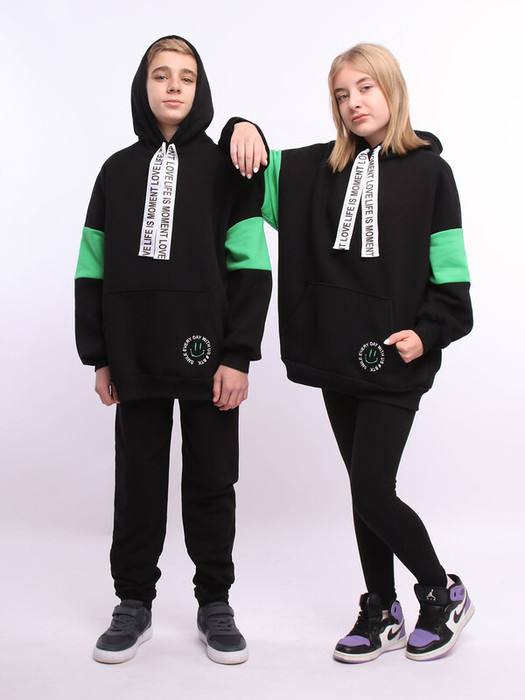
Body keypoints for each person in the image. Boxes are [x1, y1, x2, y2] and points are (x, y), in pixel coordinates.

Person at [225, 43, 473, 663]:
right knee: (366, 490)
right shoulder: (314, 170)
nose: (354, 103)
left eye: (365, 87)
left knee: (371, 489)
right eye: (342, 94)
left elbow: (452, 280)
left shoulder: (431, 175)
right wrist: (240, 127)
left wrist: (428, 333)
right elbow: (247, 172)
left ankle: (441, 592)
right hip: (337, 353)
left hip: (397, 357)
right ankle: (381, 608)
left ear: (392, 89)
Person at [74, 35, 272, 666]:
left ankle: (215, 601)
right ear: (144, 86)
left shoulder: (226, 170)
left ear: (200, 88)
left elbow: (251, 267)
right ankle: (133, 601)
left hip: (209, 354)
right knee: (137, 481)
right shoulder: (115, 171)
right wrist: (99, 354)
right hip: (134, 351)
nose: (174, 86)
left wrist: (238, 354)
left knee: (212, 480)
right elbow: (91, 267)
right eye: (161, 75)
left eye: (186, 76)